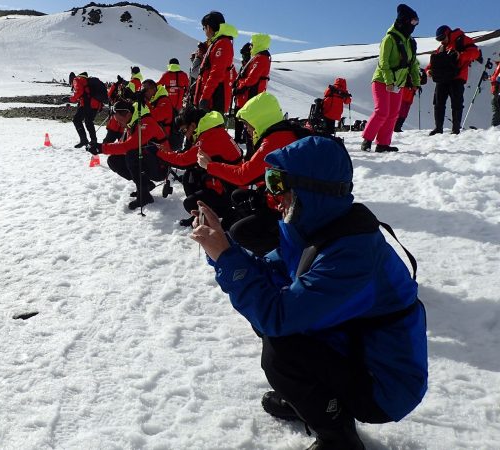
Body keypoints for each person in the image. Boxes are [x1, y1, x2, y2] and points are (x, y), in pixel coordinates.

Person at [190, 136, 428, 450]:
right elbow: (271, 275)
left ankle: (338, 438)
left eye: (278, 183)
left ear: (312, 189)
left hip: (383, 385)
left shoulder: (351, 255)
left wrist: (226, 258)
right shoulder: (313, 227)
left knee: (281, 345)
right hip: (353, 347)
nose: (273, 194)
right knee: (273, 322)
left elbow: (277, 315)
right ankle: (314, 398)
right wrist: (224, 248)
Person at [198, 92, 303, 256]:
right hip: (288, 199)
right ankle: (269, 235)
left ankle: (278, 254)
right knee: (240, 196)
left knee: (239, 232)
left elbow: (244, 175)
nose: (246, 129)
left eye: (248, 124)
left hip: (293, 210)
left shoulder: (274, 141)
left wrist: (209, 166)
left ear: (259, 120)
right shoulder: (284, 133)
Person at [156, 108, 241, 226]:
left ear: (193, 125)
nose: (185, 134)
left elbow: (184, 161)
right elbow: (187, 154)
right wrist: (167, 152)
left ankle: (227, 213)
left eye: (184, 130)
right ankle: (200, 214)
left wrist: (159, 154)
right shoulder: (210, 130)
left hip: (230, 190)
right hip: (226, 181)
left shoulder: (209, 137)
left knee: (189, 203)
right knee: (190, 175)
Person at [87, 100, 168, 210]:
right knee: (113, 160)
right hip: (150, 161)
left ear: (128, 114)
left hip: (161, 167)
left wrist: (101, 148)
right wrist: (101, 148)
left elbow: (128, 146)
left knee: (131, 155)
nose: (119, 124)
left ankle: (144, 196)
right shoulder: (133, 123)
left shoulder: (146, 123)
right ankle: (145, 186)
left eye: (119, 120)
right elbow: (122, 145)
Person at [360, 4, 420, 153]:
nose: (414, 26)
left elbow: (413, 64)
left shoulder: (410, 42)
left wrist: (416, 82)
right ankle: (367, 140)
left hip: (398, 83)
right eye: (413, 22)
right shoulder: (389, 38)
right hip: (382, 81)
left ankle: (383, 144)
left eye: (416, 23)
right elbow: (383, 62)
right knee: (382, 112)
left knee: (393, 114)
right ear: (404, 21)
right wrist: (388, 81)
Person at [426, 25, 482, 135]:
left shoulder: (462, 40)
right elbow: (434, 62)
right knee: (438, 103)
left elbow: (475, 53)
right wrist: (428, 70)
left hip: (457, 77)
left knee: (456, 103)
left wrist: (460, 55)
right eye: (439, 39)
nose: (441, 41)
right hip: (442, 78)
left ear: (448, 33)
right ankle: (438, 128)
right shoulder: (442, 47)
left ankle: (455, 129)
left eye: (442, 38)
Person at [233, 34, 272, 158]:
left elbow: (252, 78)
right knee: (248, 127)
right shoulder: (259, 57)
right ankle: (251, 154)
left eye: (252, 44)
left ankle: (251, 156)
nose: (250, 47)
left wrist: (239, 88)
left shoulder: (261, 58)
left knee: (251, 128)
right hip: (250, 96)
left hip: (252, 96)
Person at [194, 11, 237, 114]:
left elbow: (216, 73)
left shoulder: (222, 44)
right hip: (211, 98)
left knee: (213, 129)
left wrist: (205, 97)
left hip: (214, 100)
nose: (204, 31)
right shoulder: (218, 42)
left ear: (208, 27)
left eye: (204, 28)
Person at [64, 72, 102, 148]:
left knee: (76, 120)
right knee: (88, 122)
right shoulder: (86, 81)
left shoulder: (76, 79)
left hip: (87, 104)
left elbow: (79, 92)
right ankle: (93, 141)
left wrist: (69, 99)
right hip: (95, 105)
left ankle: (84, 140)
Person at [142, 79, 181, 151]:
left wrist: (145, 102)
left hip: (165, 142)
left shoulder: (164, 101)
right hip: (156, 140)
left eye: (145, 90)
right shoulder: (154, 100)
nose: (144, 93)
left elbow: (155, 117)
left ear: (153, 88)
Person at [233, 42, 254, 144]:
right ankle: (238, 138)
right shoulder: (245, 66)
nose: (243, 57)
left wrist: (238, 89)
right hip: (239, 98)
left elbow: (248, 80)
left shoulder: (250, 65)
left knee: (244, 120)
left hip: (246, 98)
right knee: (238, 119)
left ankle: (245, 138)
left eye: (244, 54)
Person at [491, 62, 500, 127]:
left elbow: (496, 78)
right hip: (496, 89)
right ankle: (495, 128)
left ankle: (494, 128)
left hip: (497, 89)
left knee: (496, 108)